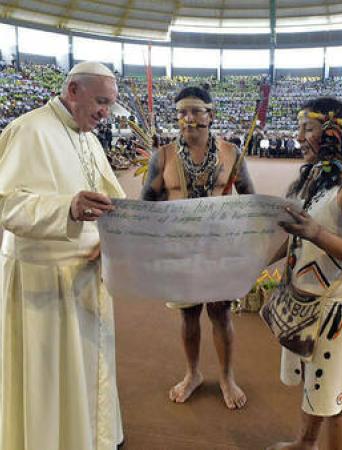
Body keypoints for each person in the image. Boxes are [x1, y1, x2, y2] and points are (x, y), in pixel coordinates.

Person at [0, 61, 125, 450]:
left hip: (88, 273)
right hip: (43, 278)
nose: (106, 113)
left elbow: (112, 198)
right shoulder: (28, 130)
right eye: (101, 102)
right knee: (50, 376)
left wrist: (120, 233)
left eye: (110, 104)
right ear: (74, 91)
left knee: (86, 368)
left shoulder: (87, 136)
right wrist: (67, 209)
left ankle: (91, 438)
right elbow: (7, 205)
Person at [266, 97, 342, 450]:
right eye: (299, 128)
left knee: (339, 399)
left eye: (308, 128)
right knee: (316, 383)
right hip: (309, 305)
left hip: (338, 309)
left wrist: (317, 233)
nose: (299, 136)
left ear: (333, 131)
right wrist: (257, 261)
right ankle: (305, 443)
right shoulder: (318, 177)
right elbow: (297, 238)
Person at [141, 86, 254, 409]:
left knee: (221, 313)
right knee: (189, 315)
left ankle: (226, 376)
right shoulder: (162, 156)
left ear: (210, 114)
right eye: (181, 113)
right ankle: (192, 373)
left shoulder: (232, 154)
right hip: (181, 250)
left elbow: (249, 199)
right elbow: (146, 203)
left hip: (219, 249)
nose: (187, 118)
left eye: (195, 111)